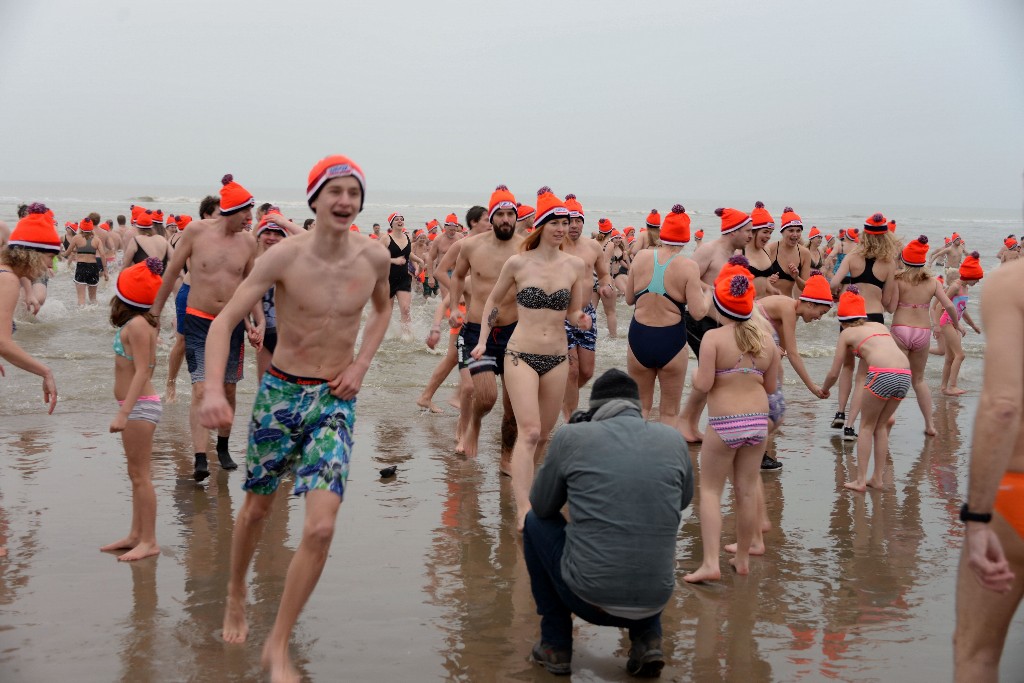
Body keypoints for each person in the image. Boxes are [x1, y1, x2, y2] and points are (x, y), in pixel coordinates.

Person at [200, 155, 390, 683]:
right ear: (314, 199)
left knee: (322, 525)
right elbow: (224, 322)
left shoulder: (373, 257)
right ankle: (237, 591)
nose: (345, 200)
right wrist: (213, 390)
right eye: (335, 190)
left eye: (353, 192)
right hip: (281, 393)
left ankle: (277, 644)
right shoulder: (283, 257)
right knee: (258, 511)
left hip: (335, 401)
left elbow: (382, 310)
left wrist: (361, 363)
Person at [523, 369, 693, 677]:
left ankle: (556, 644)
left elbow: (542, 505)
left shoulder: (572, 436)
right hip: (655, 599)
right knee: (648, 519)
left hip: (588, 598)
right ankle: (647, 639)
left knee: (534, 523)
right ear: (638, 407)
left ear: (594, 411)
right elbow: (681, 502)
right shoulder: (673, 439)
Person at [470, 187, 590, 531]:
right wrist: (480, 341)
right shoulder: (519, 263)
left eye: (565, 222)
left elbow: (574, 312)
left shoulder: (575, 266)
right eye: (554, 221)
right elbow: (492, 302)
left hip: (556, 358)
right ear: (540, 225)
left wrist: (580, 319)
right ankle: (524, 507)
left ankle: (529, 490)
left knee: (543, 435)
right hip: (520, 354)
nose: (560, 227)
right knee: (531, 430)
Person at [151, 175, 263, 481]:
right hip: (199, 320)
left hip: (232, 325)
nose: (250, 220)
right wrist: (154, 314)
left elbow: (251, 285)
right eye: (246, 213)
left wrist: (259, 322)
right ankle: (200, 456)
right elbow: (172, 271)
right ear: (231, 211)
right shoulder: (196, 232)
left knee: (228, 389)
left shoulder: (248, 242)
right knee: (200, 388)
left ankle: (223, 446)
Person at [684, 260, 780, 583]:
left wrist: (699, 373)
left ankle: (711, 562)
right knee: (747, 490)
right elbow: (769, 388)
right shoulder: (767, 342)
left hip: (725, 423)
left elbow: (703, 385)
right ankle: (742, 558)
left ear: (719, 307)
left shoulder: (713, 338)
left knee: (711, 490)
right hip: (757, 421)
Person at [953, 258, 1024, 682]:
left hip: (1015, 494)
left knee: (976, 652)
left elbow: (1003, 406)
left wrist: (976, 519)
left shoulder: (1011, 282)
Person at [448, 184, 525, 460]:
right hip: (477, 329)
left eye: (510, 214)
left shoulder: (526, 247)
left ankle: (506, 460)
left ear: (516, 217)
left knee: (513, 405)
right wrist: (455, 307)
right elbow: (456, 276)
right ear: (491, 217)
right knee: (487, 396)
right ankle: (474, 424)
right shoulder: (471, 245)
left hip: (516, 331)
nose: (506, 219)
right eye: (500, 214)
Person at [101, 257, 164, 562]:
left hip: (138, 408)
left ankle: (149, 540)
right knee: (135, 474)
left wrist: (124, 412)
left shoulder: (138, 325)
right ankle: (135, 534)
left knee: (141, 476)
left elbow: (143, 371)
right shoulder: (140, 322)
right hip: (136, 406)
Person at [820, 286, 910, 492]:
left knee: (867, 427)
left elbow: (835, 372)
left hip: (883, 374)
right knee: (881, 426)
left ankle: (860, 480)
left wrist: (824, 389)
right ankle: (877, 478)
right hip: (905, 374)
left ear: (842, 320)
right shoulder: (881, 327)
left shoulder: (847, 333)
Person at [625, 204, 707, 431]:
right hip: (671, 340)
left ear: (663, 234)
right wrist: (708, 294)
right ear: (685, 238)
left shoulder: (640, 257)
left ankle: (632, 458)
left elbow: (630, 299)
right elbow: (699, 313)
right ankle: (666, 463)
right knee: (669, 413)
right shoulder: (688, 266)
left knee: (640, 408)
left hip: (639, 338)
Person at [679, 207, 754, 442]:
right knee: (711, 374)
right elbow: (686, 277)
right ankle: (686, 422)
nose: (751, 236)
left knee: (712, 374)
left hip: (720, 324)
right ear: (733, 231)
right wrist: (709, 289)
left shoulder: (736, 255)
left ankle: (690, 423)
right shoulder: (709, 250)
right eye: (748, 231)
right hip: (698, 320)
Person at [829, 214, 898, 440]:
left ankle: (840, 411)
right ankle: (850, 427)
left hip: (851, 317)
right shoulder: (889, 263)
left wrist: (842, 293)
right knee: (862, 376)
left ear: (865, 234)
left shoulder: (852, 256)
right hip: (875, 318)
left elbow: (833, 283)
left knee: (846, 367)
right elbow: (888, 304)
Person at [891, 235, 965, 433]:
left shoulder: (897, 279)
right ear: (923, 262)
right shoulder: (933, 282)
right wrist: (956, 325)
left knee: (896, 376)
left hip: (900, 329)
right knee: (919, 380)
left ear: (904, 261)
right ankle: (929, 425)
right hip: (922, 332)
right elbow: (948, 305)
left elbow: (890, 308)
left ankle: (890, 417)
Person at [560, 193, 616, 421]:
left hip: (587, 314)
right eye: (569, 221)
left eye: (578, 221)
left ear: (583, 222)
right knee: (572, 371)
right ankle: (570, 419)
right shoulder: (555, 245)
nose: (574, 226)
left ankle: (562, 396)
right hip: (561, 316)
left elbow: (604, 274)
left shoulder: (593, 246)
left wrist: (605, 287)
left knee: (586, 372)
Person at [0, 203, 60, 413]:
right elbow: (3, 343)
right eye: (50, 258)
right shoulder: (7, 280)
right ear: (32, 254)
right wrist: (45, 372)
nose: (50, 266)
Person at [166, 196, 219, 403]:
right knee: (182, 341)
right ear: (206, 215)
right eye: (218, 214)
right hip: (190, 291)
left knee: (214, 342)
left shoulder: (232, 236)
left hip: (216, 297)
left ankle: (205, 387)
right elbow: (178, 267)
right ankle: (171, 382)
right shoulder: (195, 235)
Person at [938, 252, 983, 396]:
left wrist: (973, 325)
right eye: (976, 279)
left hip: (954, 323)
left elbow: (962, 309)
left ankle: (944, 388)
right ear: (969, 276)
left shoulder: (965, 288)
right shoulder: (955, 287)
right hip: (947, 322)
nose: (977, 282)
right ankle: (953, 386)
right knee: (960, 355)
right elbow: (940, 304)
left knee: (950, 358)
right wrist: (937, 325)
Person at [382, 212, 423, 340]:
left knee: (405, 309)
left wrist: (419, 261)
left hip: (404, 279)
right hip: (388, 279)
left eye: (401, 219)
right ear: (391, 223)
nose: (400, 221)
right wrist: (394, 261)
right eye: (397, 220)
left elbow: (408, 253)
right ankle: (384, 334)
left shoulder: (406, 237)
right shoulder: (385, 238)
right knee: (386, 312)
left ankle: (406, 337)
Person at [764, 207, 811, 298]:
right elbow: (754, 279)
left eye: (798, 231)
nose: (795, 234)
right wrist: (767, 280)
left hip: (787, 304)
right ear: (782, 232)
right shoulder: (770, 249)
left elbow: (806, 288)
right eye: (791, 230)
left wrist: (796, 278)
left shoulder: (804, 253)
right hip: (767, 302)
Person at [63, 217, 110, 305]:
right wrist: (106, 271)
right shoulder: (97, 239)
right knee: (93, 299)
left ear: (81, 227)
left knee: (81, 299)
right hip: (93, 268)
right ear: (91, 228)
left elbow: (67, 253)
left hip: (81, 267)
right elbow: (103, 255)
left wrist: (57, 253)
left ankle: (81, 316)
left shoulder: (76, 238)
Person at [744, 202, 781, 298]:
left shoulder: (766, 250)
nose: (768, 236)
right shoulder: (740, 253)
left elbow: (763, 280)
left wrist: (771, 289)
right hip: (746, 306)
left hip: (763, 303)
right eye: (765, 232)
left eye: (770, 233)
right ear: (753, 231)